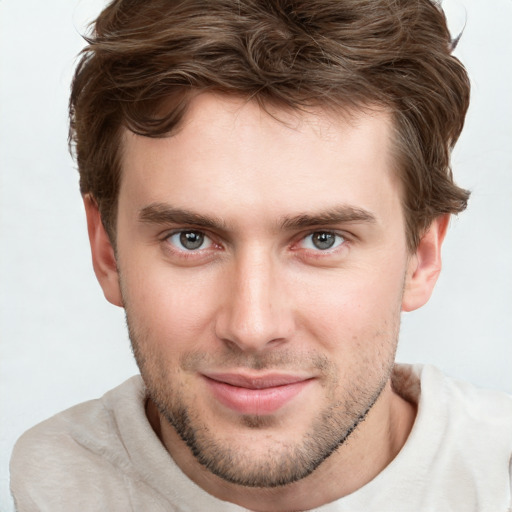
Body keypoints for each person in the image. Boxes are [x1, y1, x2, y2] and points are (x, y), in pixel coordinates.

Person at [9, 0, 512, 510]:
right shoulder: (58, 482)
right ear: (107, 250)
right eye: (190, 238)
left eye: (322, 239)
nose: (251, 327)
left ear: (420, 258)